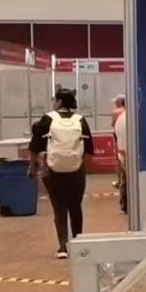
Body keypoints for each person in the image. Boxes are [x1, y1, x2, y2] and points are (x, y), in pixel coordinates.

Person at [29, 87, 94, 259]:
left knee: (59, 208)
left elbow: (35, 145)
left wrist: (32, 167)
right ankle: (79, 242)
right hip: (76, 171)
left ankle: (63, 247)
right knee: (75, 207)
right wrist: (82, 169)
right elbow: (89, 150)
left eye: (54, 100)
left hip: (53, 171)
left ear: (58, 102)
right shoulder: (81, 120)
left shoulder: (48, 119)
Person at [110, 95, 127, 213]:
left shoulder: (118, 115)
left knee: (123, 178)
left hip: (122, 151)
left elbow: (113, 126)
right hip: (128, 153)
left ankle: (124, 205)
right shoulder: (130, 117)